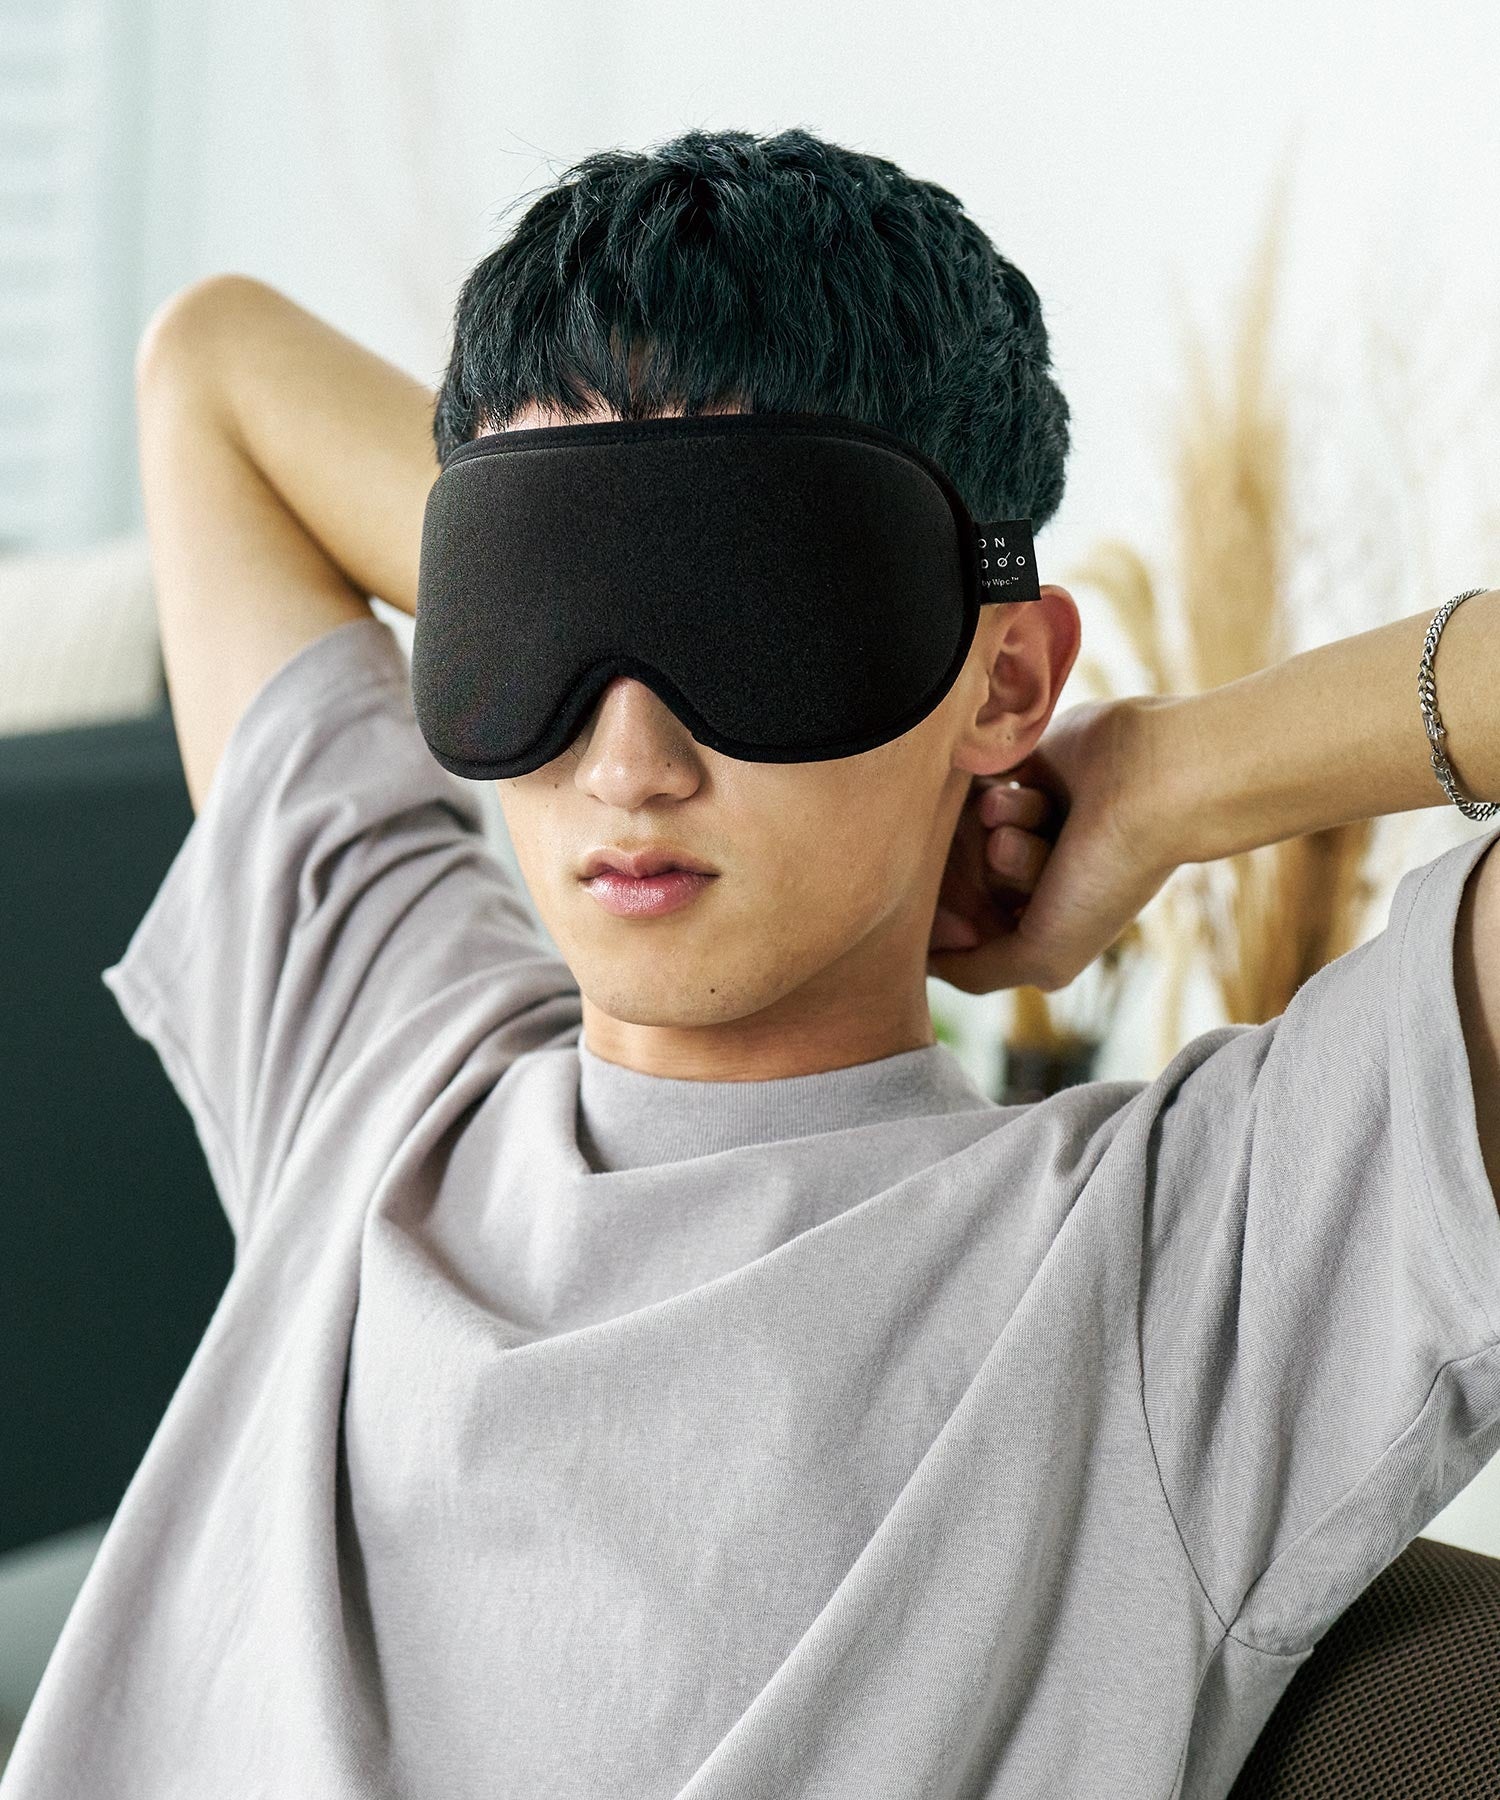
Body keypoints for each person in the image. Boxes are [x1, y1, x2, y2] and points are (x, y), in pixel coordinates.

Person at [4, 126, 1498, 1800]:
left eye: (759, 612)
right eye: (530, 605)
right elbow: (212, 367)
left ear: (1007, 679)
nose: (627, 765)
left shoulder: (1186, 1264)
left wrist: (1169, 777)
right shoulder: (383, 1064)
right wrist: (625, 559)